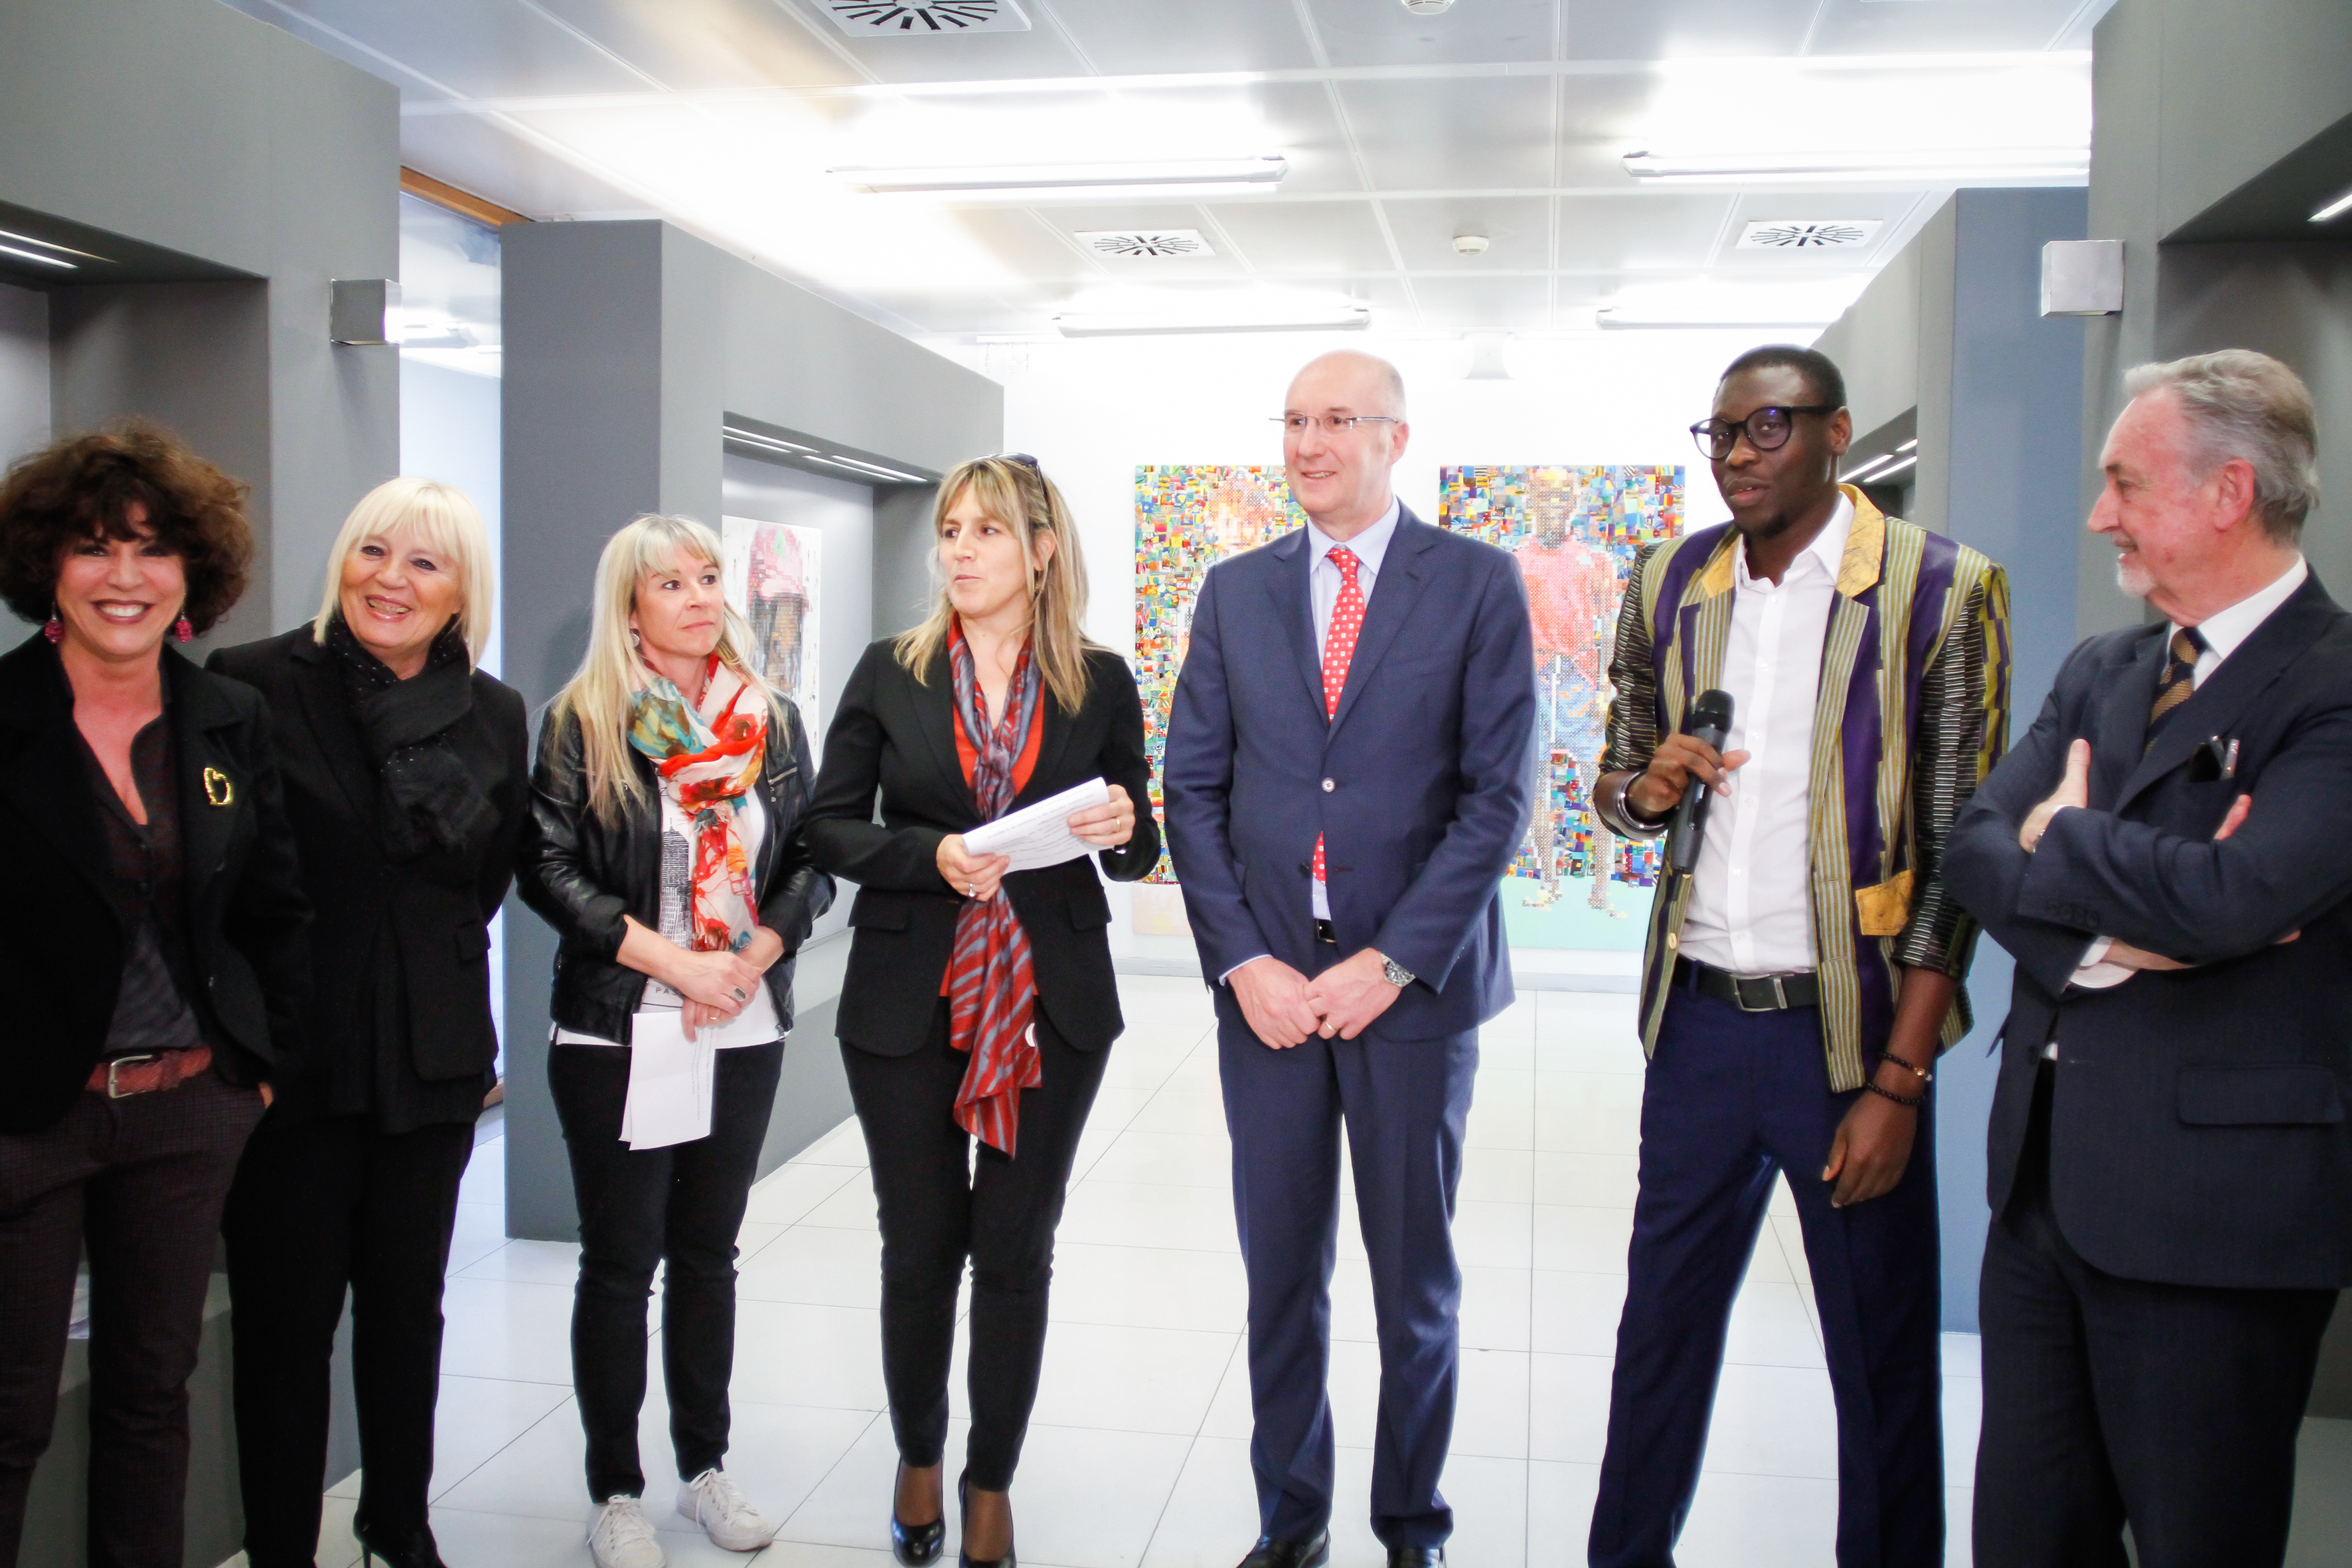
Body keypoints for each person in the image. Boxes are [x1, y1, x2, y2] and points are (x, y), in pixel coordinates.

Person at [1585, 345, 2010, 1568]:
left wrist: (1898, 1081)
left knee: (1877, 1357)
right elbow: (1615, 777)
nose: (1736, 454)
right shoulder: (1669, 580)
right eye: (1719, 432)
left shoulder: (1940, 587)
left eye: (1766, 426)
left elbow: (1958, 856)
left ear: (1835, 433)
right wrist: (1641, 790)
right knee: (1657, 1335)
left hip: (1851, 1037)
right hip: (1697, 1024)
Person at [1943, 350, 2349, 1568]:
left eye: (2122, 481)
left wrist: (2060, 836)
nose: (2095, 513)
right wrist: (2118, 936)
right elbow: (1971, 847)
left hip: (2211, 1222)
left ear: (2228, 492)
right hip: (2039, 1197)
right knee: (2023, 1537)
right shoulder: (2104, 667)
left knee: (2195, 1539)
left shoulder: (2332, 686)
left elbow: (2236, 897)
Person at [1162, 352, 1536, 1568]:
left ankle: (1409, 1522)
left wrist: (1391, 961)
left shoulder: (1473, 582)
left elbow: (1496, 799)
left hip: (1410, 997)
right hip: (1269, 994)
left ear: (1393, 437)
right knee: (1281, 1273)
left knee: (1411, 1281)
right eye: (1292, 420)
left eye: (1335, 419)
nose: (1307, 442)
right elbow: (1190, 789)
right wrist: (1241, 961)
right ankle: (1292, 1517)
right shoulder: (1235, 592)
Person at [804, 453, 1156, 1568]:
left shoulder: (1097, 680)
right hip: (907, 997)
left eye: (986, 531)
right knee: (918, 1246)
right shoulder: (890, 670)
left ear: (1040, 552)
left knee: (1014, 1248)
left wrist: (1123, 829)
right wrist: (932, 854)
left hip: (1050, 998)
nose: (959, 549)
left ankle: (987, 1477)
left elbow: (1137, 837)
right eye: (950, 529)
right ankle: (918, 1451)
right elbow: (827, 825)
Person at [0, 424, 309, 1568]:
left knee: (150, 1396)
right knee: (9, 1415)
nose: (123, 576)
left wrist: (256, 1074)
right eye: (93, 546)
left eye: (151, 547)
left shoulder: (226, 716)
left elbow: (276, 910)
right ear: (46, 564)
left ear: (192, 571)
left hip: (187, 1113)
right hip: (25, 1122)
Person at [210, 478, 529, 1568]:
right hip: (293, 1063)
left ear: (461, 591)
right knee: (285, 1326)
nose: (391, 579)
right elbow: (224, 882)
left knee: (406, 1312)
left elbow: (483, 879)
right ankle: (281, 1547)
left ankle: (397, 1520)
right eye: (372, 551)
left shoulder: (493, 712)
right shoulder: (253, 682)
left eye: (424, 562)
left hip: (431, 1057)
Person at [518, 514, 833, 1568]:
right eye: (670, 583)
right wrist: (676, 963)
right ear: (628, 607)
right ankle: (615, 1490)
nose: (700, 598)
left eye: (707, 577)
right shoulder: (584, 720)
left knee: (708, 1253)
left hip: (740, 1018)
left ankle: (705, 1467)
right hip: (620, 1021)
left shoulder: (767, 719)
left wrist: (748, 957)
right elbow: (548, 869)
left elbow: (811, 861)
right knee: (620, 1263)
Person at [1512, 471, 1621, 912]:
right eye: (1545, 494)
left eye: (1563, 495)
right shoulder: (1516, 561)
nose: (1554, 503)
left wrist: (1605, 688)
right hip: (1533, 680)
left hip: (1580, 679)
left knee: (1599, 785)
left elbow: (1610, 629)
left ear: (1574, 503)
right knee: (1536, 784)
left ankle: (1602, 888)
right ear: (1531, 501)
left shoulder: (1594, 562)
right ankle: (1550, 883)